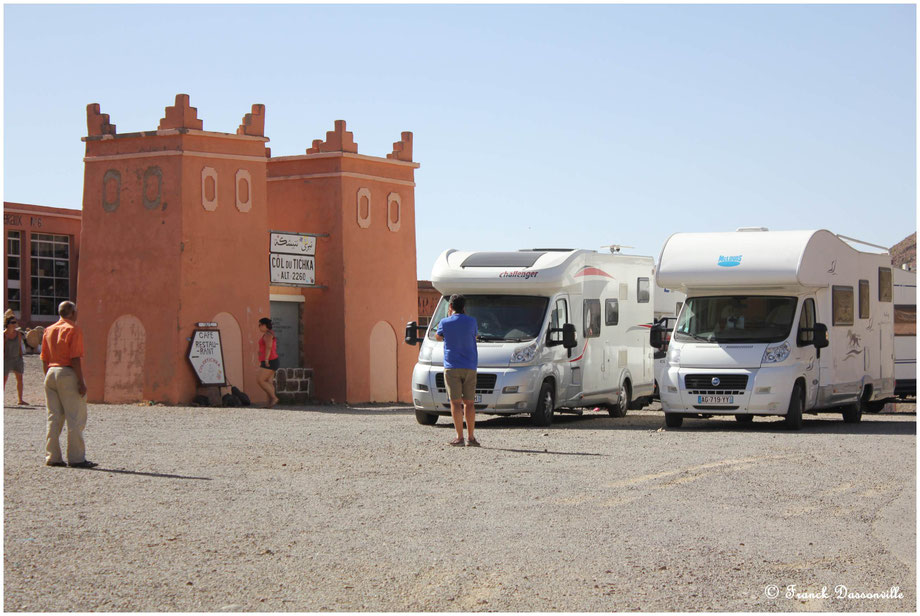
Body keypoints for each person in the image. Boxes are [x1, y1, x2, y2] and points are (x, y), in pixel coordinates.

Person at [40, 301, 96, 468]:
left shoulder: (48, 330)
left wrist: (48, 377)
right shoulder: (73, 329)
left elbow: (44, 358)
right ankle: (76, 457)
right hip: (67, 372)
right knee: (74, 417)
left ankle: (52, 456)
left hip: (51, 372)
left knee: (53, 416)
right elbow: (75, 358)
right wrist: (80, 382)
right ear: (72, 313)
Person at [436, 294, 480, 447]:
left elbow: (437, 337)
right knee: (469, 403)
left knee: (455, 403)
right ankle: (471, 437)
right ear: (464, 308)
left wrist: (448, 317)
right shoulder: (472, 321)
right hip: (470, 365)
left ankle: (459, 437)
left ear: (450, 307)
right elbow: (475, 336)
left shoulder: (444, 322)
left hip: (452, 366)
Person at [4, 314, 28, 405]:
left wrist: (21, 357)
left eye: (15, 322)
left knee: (20, 379)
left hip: (17, 359)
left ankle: (20, 400)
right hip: (6, 359)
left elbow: (19, 346)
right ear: (8, 324)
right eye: (13, 322)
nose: (15, 324)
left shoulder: (18, 334)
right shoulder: (4, 335)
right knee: (4, 380)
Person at [257, 317, 280, 408]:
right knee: (268, 382)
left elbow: (269, 347)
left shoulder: (268, 334)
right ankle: (270, 402)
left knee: (260, 380)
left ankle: (274, 398)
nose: (258, 327)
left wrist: (266, 359)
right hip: (270, 360)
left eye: (259, 325)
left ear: (264, 325)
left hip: (270, 361)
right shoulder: (268, 334)